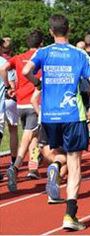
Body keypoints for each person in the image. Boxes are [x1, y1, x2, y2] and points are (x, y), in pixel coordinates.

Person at [23, 14, 90, 231]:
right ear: (69, 29)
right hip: (73, 115)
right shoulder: (79, 54)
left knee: (51, 151)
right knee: (75, 161)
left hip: (49, 115)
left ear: (50, 31)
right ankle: (70, 214)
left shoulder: (43, 52)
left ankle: (56, 164)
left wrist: (38, 83)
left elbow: (25, 71)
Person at [0, 30, 43, 192]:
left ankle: (33, 168)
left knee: (33, 135)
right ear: (41, 43)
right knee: (28, 136)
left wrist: (8, 86)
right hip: (35, 102)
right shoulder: (41, 58)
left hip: (20, 103)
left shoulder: (18, 58)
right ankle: (16, 166)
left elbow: (4, 68)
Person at [0, 38, 18, 180]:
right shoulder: (6, 63)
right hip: (6, 102)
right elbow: (12, 84)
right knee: (12, 130)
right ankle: (13, 162)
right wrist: (8, 87)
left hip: (3, 103)